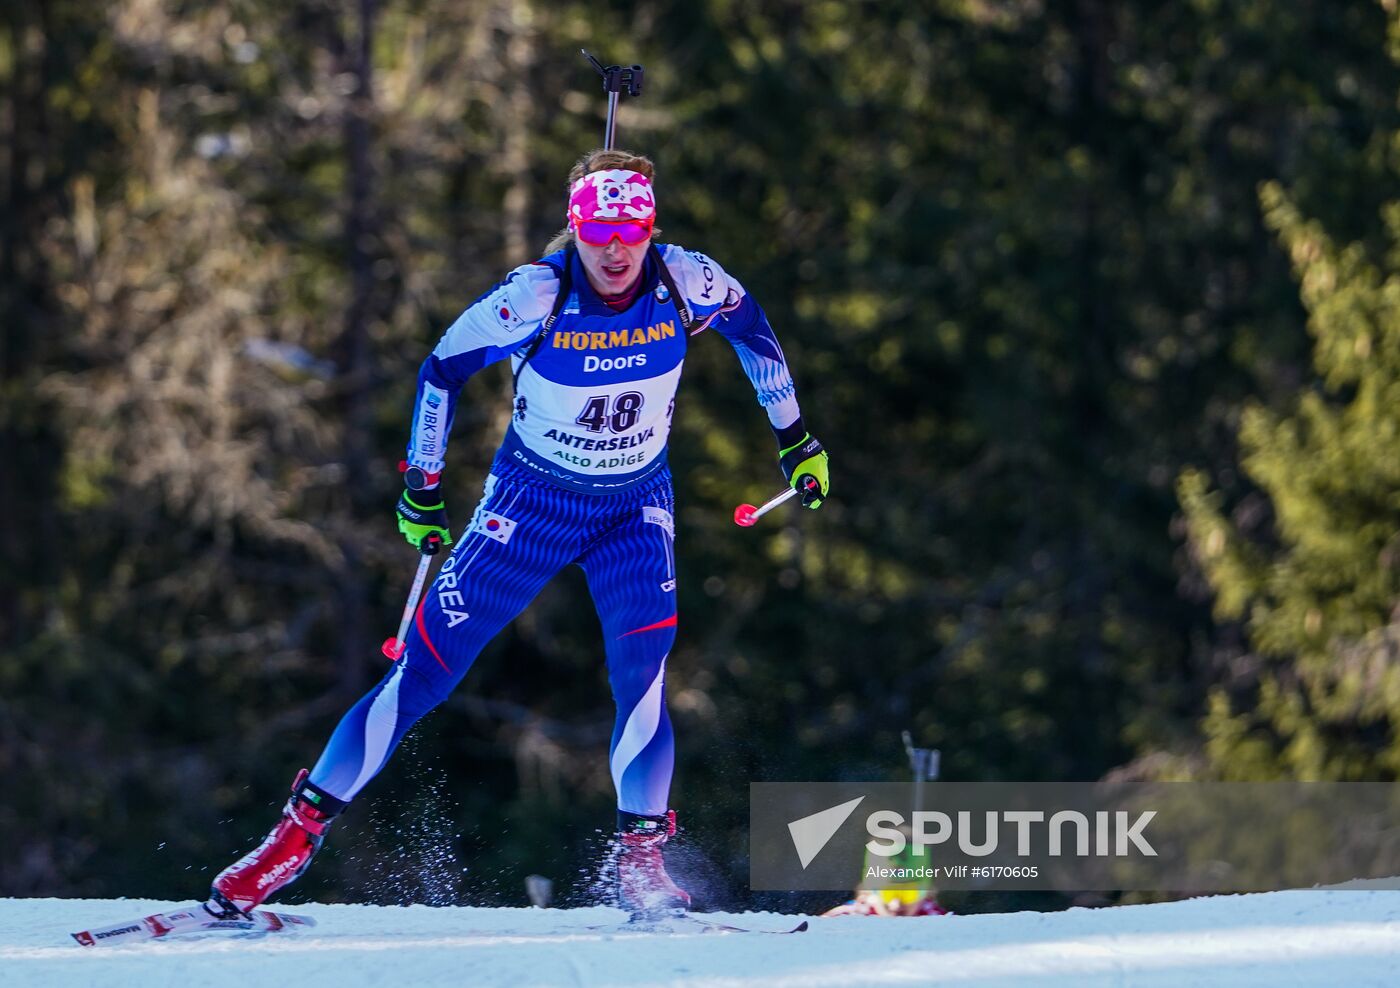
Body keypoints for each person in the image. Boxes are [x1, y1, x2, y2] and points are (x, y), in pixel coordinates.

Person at [204, 149, 830, 920]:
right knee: (425, 675)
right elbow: (441, 371)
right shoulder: (536, 295)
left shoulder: (685, 280)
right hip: (528, 505)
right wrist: (422, 488)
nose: (615, 248)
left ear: (650, 227)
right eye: (598, 230)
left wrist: (796, 439)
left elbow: (755, 332)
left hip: (634, 508)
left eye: (630, 229)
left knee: (643, 675)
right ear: (576, 228)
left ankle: (641, 862)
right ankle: (291, 840)